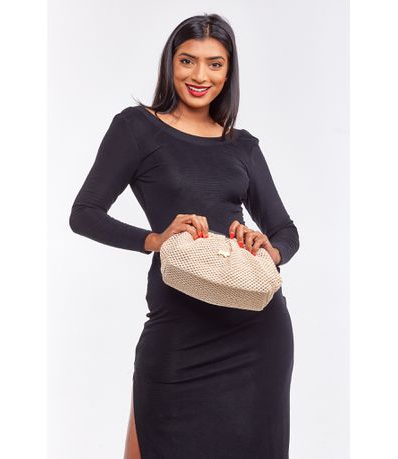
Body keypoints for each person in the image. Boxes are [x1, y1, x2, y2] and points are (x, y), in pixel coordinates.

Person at [69, 13, 300, 459]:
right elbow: (85, 214)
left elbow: (285, 230)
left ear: (228, 72)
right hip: (178, 321)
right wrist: (154, 240)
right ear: (170, 63)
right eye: (188, 60)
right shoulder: (136, 127)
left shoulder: (242, 145)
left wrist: (270, 249)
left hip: (255, 329)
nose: (200, 76)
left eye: (215, 64)